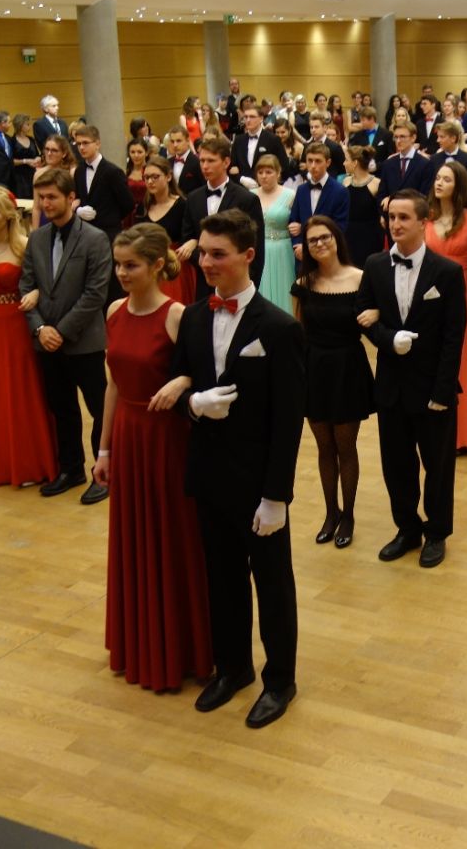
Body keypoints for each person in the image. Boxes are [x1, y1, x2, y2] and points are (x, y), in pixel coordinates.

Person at [174, 209, 306, 729]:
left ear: (248, 256)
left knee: (272, 585)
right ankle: (232, 668)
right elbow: (180, 383)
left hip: (258, 481)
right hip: (210, 474)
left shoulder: (279, 327)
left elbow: (289, 420)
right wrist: (193, 404)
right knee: (222, 579)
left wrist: (276, 497)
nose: (206, 263)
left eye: (218, 254)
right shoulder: (193, 317)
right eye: (203, 253)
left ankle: (280, 680)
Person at [90, 223, 212, 693]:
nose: (121, 273)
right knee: (135, 538)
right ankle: (140, 642)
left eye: (131, 265)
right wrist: (104, 449)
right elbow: (113, 385)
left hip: (167, 438)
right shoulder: (114, 310)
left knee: (171, 538)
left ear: (158, 265)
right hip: (128, 433)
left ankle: (181, 649)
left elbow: (204, 375)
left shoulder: (177, 315)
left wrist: (182, 381)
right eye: (118, 265)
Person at [354, 189, 466, 569]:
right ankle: (407, 528)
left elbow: (454, 336)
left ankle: (437, 532)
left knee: (438, 467)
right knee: (396, 465)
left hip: (433, 386)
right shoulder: (374, 265)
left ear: (423, 222)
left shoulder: (447, 272)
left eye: (404, 217)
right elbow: (363, 315)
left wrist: (443, 391)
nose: (396, 224)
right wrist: (388, 339)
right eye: (391, 217)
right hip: (391, 387)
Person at [20, 168, 113, 506]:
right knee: (62, 408)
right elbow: (26, 286)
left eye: (52, 197)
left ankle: (104, 473)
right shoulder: (36, 238)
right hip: (45, 340)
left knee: (99, 408)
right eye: (41, 198)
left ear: (71, 198)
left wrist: (60, 331)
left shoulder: (95, 239)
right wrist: (39, 329)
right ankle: (71, 469)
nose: (45, 203)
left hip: (84, 341)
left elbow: (95, 294)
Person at [291, 216, 375, 549]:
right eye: (313, 240)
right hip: (315, 369)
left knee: (345, 446)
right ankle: (331, 512)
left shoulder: (360, 278)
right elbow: (298, 332)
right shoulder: (303, 283)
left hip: (347, 368)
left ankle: (349, 514)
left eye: (325, 237)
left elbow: (375, 317)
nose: (320, 244)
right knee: (324, 447)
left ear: (336, 238)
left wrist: (378, 315)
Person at [0, 186, 58, 489]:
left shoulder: (25, 245)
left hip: (18, 322)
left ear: (8, 215)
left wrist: (34, 295)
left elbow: (44, 285)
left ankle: (31, 461)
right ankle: (5, 461)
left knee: (22, 389)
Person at [424, 161, 467, 454]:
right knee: (434, 357)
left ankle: (463, 432)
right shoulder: (426, 216)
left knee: (462, 358)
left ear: (459, 185)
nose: (439, 183)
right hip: (430, 296)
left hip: (463, 295)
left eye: (446, 179)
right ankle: (436, 428)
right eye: (438, 178)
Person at [179, 136, 266, 299]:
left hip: (237, 283)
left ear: (226, 162)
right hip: (203, 282)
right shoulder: (193, 198)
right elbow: (187, 237)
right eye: (202, 161)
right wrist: (208, 262)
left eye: (211, 161)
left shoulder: (246, 199)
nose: (205, 166)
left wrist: (251, 289)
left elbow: (256, 249)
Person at [135, 154, 195, 306]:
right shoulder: (143, 206)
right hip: (148, 266)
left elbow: (194, 233)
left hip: (173, 267)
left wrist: (193, 242)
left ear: (168, 177)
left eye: (155, 177)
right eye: (146, 177)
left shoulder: (183, 205)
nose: (150, 181)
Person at [71, 125, 135, 243]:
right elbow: (78, 198)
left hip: (108, 234)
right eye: (78, 144)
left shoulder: (113, 171)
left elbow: (128, 203)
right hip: (85, 233)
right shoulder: (79, 171)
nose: (81, 147)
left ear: (97, 144)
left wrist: (109, 218)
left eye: (85, 143)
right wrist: (78, 210)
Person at [255, 155, 297, 311]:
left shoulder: (291, 195)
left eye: (268, 172)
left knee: (284, 289)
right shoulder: (250, 195)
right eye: (260, 172)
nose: (264, 176)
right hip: (258, 249)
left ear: (278, 173)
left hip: (283, 251)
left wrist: (298, 226)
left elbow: (299, 219)